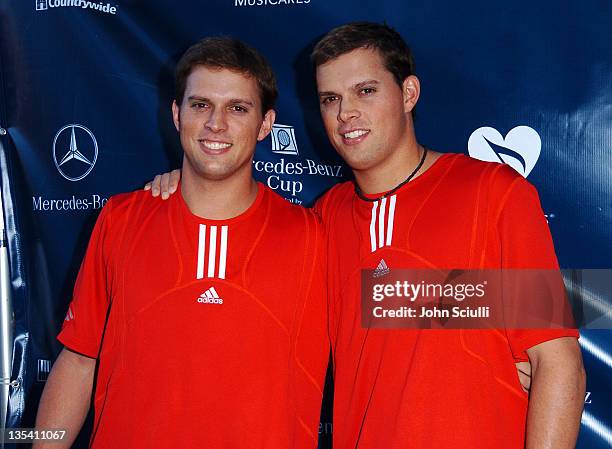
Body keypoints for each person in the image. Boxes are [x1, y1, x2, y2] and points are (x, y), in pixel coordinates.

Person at [147, 22, 586, 449]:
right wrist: (189, 184)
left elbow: (558, 360)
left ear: (408, 93)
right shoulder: (323, 220)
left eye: (366, 90)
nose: (346, 113)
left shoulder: (494, 191)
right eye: (330, 98)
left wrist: (498, 332)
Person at [34, 37, 329, 449]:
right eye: (200, 104)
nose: (216, 123)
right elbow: (81, 360)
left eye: (238, 108)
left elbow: (402, 318)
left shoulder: (313, 236)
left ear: (266, 124)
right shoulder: (122, 220)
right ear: (176, 113)